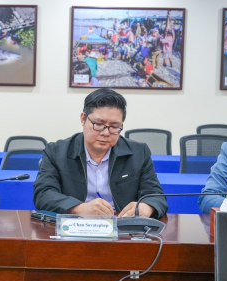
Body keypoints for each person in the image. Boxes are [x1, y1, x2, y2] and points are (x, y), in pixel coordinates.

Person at [33, 89, 167, 218]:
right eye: (98, 124)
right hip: (74, 225)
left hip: (122, 225)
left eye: (114, 127)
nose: (105, 133)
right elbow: (43, 194)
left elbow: (155, 196)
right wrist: (78, 208)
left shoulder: (138, 152)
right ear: (83, 119)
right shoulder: (57, 152)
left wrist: (146, 207)